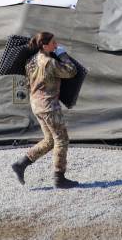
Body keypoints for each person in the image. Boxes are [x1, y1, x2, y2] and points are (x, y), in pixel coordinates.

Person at [11, 31, 79, 189]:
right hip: (49, 107)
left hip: (36, 105)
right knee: (61, 139)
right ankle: (59, 178)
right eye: (54, 43)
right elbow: (71, 71)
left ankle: (21, 164)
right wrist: (63, 55)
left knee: (49, 140)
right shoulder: (49, 62)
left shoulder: (30, 60)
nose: (56, 45)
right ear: (44, 45)